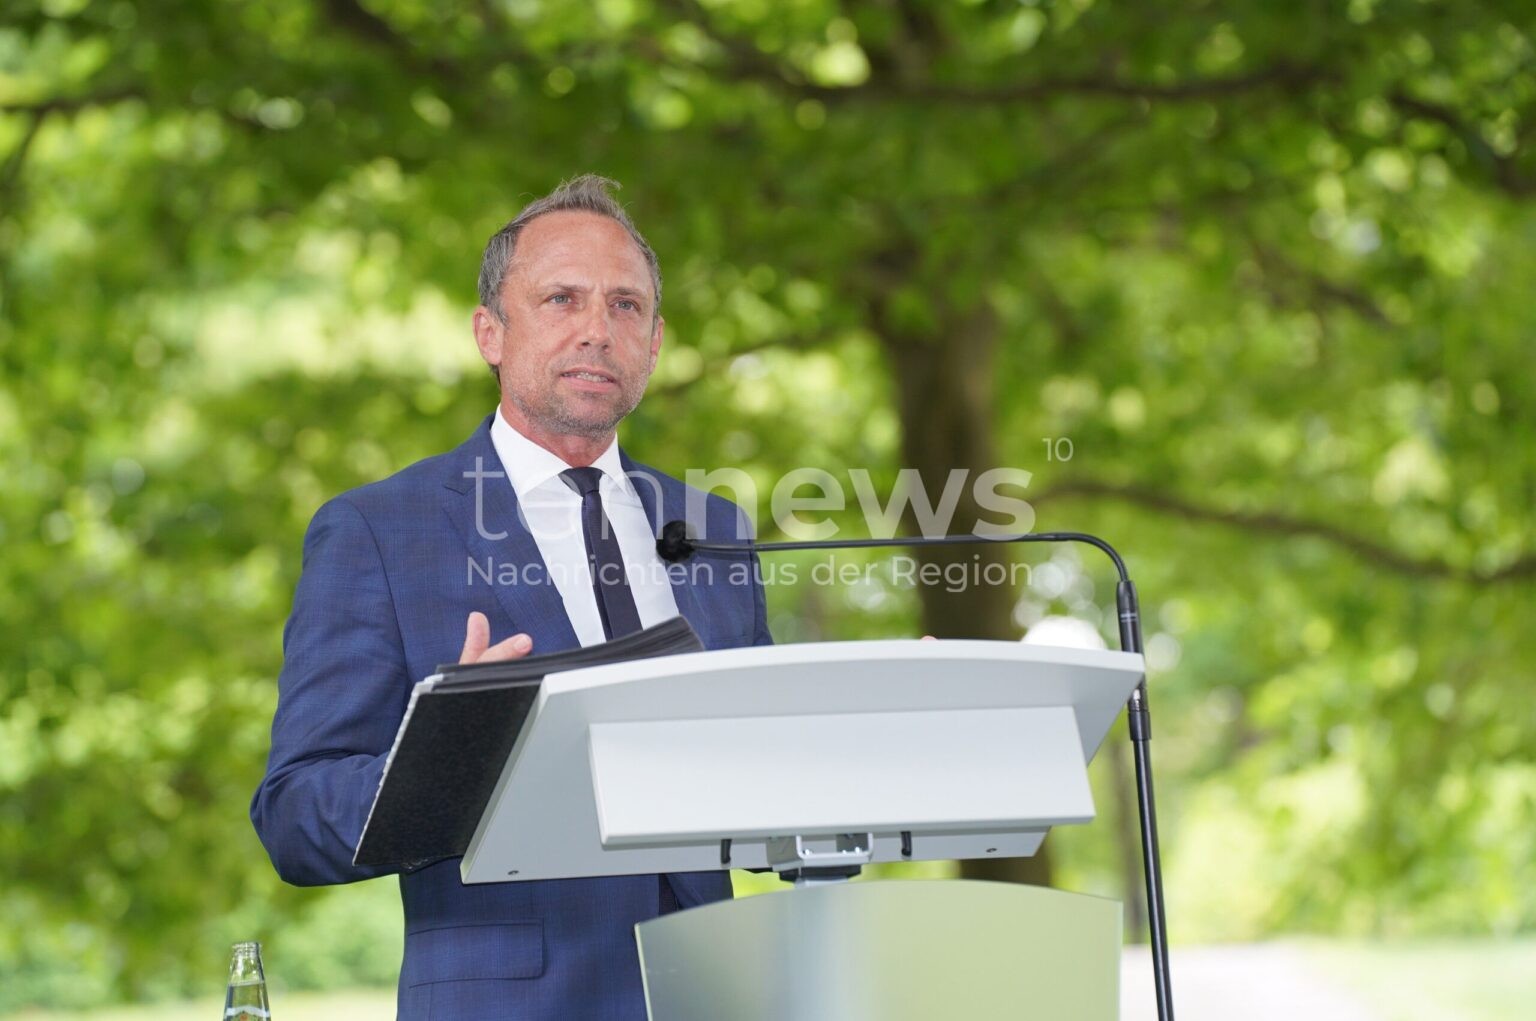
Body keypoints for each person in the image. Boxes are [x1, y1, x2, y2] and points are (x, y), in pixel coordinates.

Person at [251, 175, 771, 1020]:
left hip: (714, 993)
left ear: (657, 340)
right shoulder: (379, 531)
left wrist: (867, 732)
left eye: (626, 307)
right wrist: (449, 751)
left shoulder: (709, 526)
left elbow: (776, 786)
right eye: (561, 299)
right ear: (491, 332)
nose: (598, 330)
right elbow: (294, 816)